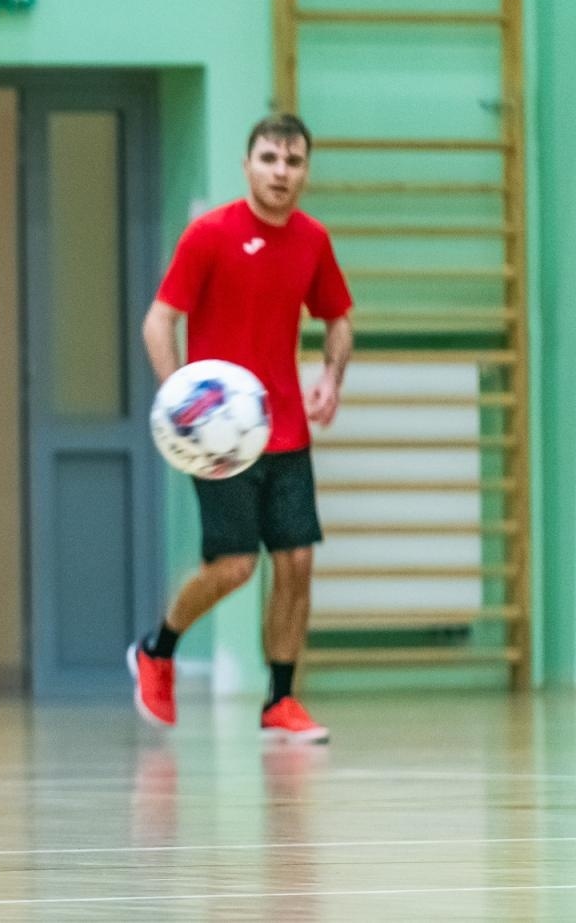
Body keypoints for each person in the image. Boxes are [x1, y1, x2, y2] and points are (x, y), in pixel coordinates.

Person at [128, 113, 353, 743]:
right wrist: (180, 402)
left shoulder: (312, 241)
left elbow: (338, 320)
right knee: (233, 567)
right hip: (221, 439)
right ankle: (157, 647)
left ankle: (280, 700)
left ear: (305, 169)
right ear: (248, 163)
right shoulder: (210, 235)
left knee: (297, 562)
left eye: (294, 161)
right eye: (270, 159)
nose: (282, 172)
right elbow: (158, 322)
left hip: (286, 433)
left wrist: (332, 379)